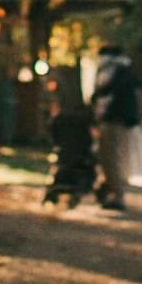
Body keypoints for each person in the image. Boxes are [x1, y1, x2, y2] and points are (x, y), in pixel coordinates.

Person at [89, 42, 142, 209]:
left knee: (112, 159)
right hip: (109, 120)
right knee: (107, 158)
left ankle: (117, 195)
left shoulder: (118, 72)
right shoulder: (119, 70)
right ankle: (110, 191)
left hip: (114, 121)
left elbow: (107, 93)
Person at [43, 77, 97, 207]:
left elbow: (54, 137)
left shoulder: (61, 119)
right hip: (79, 155)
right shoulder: (83, 118)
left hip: (66, 153)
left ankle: (55, 192)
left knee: (64, 163)